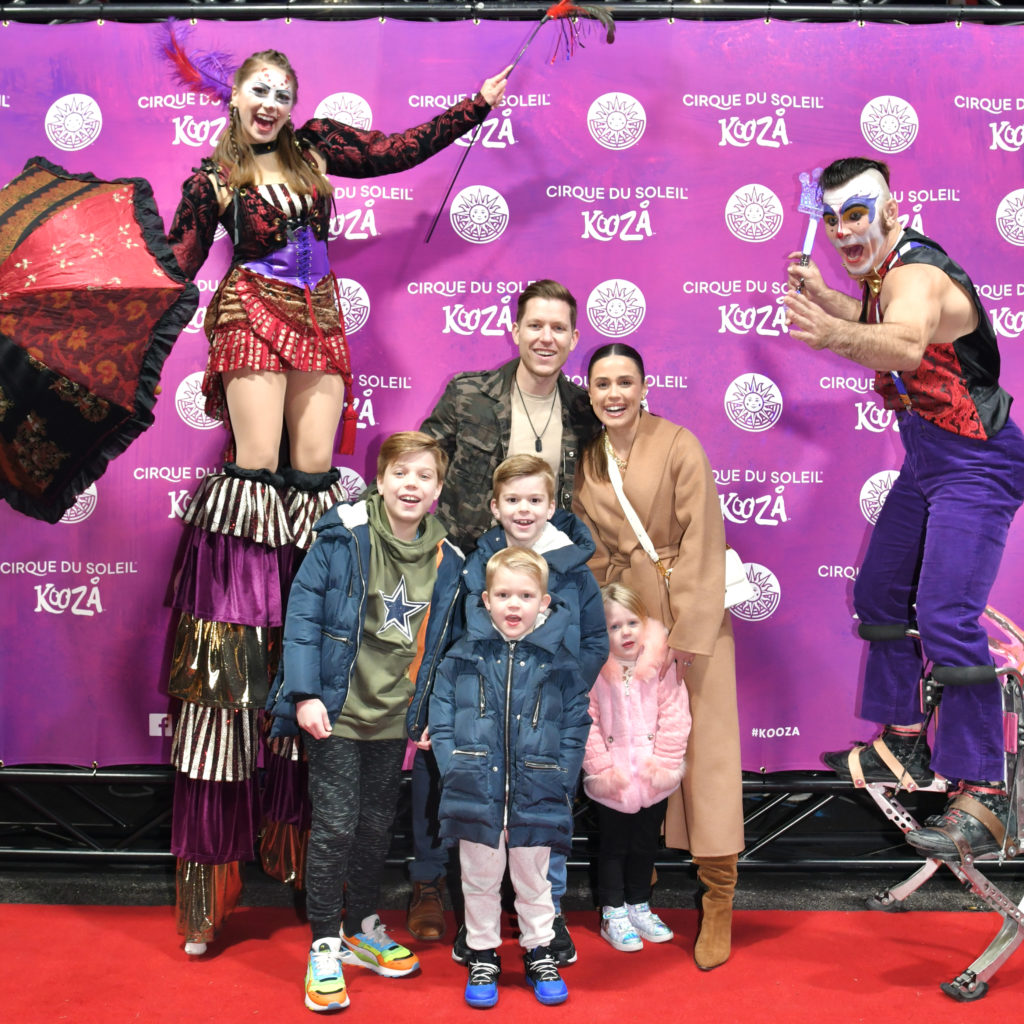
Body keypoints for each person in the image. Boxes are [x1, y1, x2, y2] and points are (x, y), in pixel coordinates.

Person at [162, 39, 508, 954]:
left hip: (318, 313)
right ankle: (245, 621)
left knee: (312, 485)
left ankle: (304, 628)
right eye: (257, 92)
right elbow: (177, 258)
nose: (270, 104)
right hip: (247, 310)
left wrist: (474, 104)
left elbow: (396, 149)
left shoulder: (316, 147)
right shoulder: (212, 174)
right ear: (234, 98)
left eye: (282, 91)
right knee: (254, 470)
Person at [784, 157, 1024, 860]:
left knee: (946, 612)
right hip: (929, 458)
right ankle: (905, 742)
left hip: (977, 461)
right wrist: (831, 301)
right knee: (882, 591)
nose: (844, 231)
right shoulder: (882, 278)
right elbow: (878, 322)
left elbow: (906, 341)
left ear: (893, 209)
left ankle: (985, 795)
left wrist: (831, 335)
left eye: (857, 213)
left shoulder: (916, 274)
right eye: (831, 219)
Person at [406, 279, 598, 950]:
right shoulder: (470, 394)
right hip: (474, 586)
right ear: (515, 329)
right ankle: (430, 879)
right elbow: (423, 463)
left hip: (551, 591)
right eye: (535, 323)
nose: (546, 336)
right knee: (449, 735)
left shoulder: (584, 409)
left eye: (559, 326)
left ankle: (542, 907)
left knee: (541, 745)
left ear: (574, 339)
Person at [264, 431, 464, 1013]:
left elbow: (450, 646)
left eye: (424, 476)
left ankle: (363, 926)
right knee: (334, 826)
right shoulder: (342, 536)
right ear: (380, 478)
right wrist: (303, 694)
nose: (411, 484)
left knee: (376, 826)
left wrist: (431, 712)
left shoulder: (450, 559)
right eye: (401, 472)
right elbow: (303, 616)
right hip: (336, 710)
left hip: (394, 717)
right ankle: (325, 942)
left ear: (438, 489)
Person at [572, 342, 744, 971]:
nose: (613, 393)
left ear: (645, 386)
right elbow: (591, 554)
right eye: (601, 383)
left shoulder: (679, 443)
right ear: (587, 391)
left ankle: (719, 898)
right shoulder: (588, 463)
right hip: (627, 620)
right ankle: (632, 894)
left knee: (707, 755)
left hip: (691, 612)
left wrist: (689, 630)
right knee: (633, 743)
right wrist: (609, 624)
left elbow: (704, 533)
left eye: (625, 381)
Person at [451, 454, 608, 964]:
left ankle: (548, 920)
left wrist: (558, 695)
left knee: (541, 829)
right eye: (513, 500)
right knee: (484, 839)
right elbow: (458, 643)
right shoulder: (477, 563)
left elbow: (594, 642)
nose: (524, 510)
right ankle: (482, 935)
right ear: (495, 507)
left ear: (551, 505)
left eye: (534, 500)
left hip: (545, 716)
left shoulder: (574, 568)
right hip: (489, 720)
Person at [428, 547, 592, 1008]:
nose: (513, 604)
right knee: (477, 877)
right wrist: (453, 762)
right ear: (485, 599)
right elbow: (442, 717)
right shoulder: (461, 657)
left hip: (537, 790)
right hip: (475, 786)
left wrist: (561, 776)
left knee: (534, 879)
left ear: (544, 602)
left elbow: (576, 724)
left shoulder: (559, 662)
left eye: (525, 595)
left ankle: (540, 949)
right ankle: (482, 952)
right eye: (503, 594)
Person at [584, 583, 690, 953]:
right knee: (612, 847)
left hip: (653, 781)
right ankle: (613, 912)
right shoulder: (596, 671)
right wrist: (601, 769)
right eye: (614, 626)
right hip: (614, 782)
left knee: (646, 845)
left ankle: (639, 905)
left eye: (632, 623)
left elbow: (676, 719)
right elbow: (587, 722)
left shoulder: (661, 667)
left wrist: (664, 766)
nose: (625, 632)